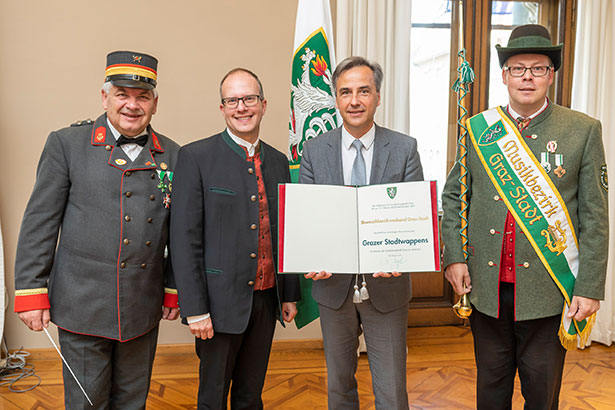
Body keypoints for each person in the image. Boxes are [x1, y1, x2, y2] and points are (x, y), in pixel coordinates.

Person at [442, 24, 608, 409]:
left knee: (542, 395)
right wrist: (454, 256)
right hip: (487, 288)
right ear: (504, 76)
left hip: (549, 291)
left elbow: (595, 216)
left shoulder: (582, 130)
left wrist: (589, 286)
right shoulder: (478, 129)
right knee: (491, 392)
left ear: (552, 75)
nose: (528, 77)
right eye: (518, 68)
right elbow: (454, 197)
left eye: (538, 68)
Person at [14, 50, 180, 409]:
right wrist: (31, 290)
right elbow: (40, 221)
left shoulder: (174, 155)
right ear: (104, 97)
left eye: (142, 97)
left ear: (155, 104)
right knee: (86, 402)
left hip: (141, 305)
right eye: (122, 94)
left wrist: (173, 287)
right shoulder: (67, 144)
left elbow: (179, 233)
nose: (132, 105)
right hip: (81, 305)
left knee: (133, 400)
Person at [170, 68, 300, 409]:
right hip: (216, 304)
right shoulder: (195, 157)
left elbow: (285, 232)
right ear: (222, 108)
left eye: (249, 99)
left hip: (266, 298)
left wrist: (289, 293)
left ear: (264, 104)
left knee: (250, 395)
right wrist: (195, 309)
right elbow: (184, 239)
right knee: (212, 398)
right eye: (233, 100)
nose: (242, 107)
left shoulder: (278, 161)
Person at [299, 56, 424, 410]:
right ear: (336, 99)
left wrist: (402, 256)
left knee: (392, 390)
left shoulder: (403, 148)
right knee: (339, 386)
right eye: (346, 92)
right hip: (332, 286)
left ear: (378, 97)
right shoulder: (313, 150)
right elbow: (310, 217)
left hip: (387, 286)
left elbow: (412, 216)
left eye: (363, 91)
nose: (354, 100)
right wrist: (312, 257)